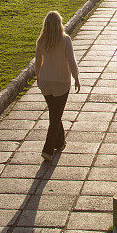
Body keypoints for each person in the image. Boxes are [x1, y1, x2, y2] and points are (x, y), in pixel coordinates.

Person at [35, 10, 80, 162]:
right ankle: (48, 150)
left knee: (54, 113)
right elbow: (71, 61)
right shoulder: (65, 40)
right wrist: (76, 77)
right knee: (55, 117)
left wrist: (38, 77)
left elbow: (37, 61)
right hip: (61, 82)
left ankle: (60, 143)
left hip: (45, 82)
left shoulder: (42, 40)